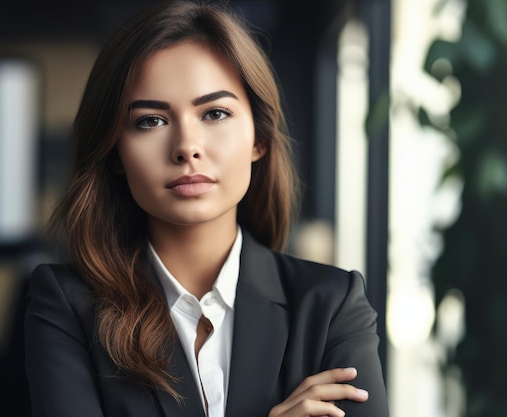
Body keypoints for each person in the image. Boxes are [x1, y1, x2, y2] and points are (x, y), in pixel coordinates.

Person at [24, 1, 389, 416]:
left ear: (259, 139)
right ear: (114, 154)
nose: (186, 147)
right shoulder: (68, 306)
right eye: (151, 121)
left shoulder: (330, 306)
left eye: (215, 113)